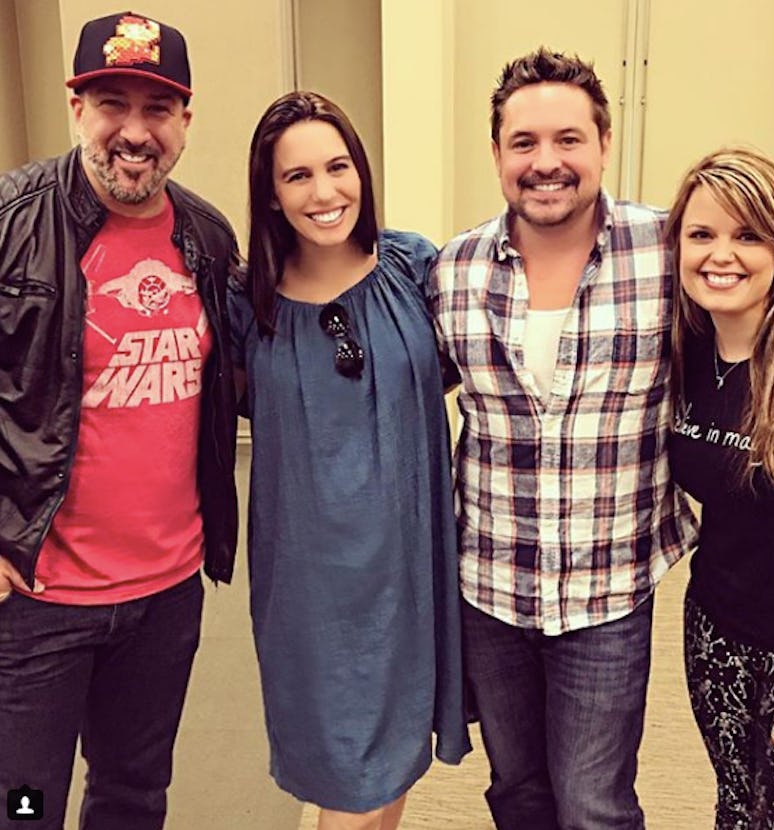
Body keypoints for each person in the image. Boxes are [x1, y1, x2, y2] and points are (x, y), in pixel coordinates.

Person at [428, 48, 698, 829]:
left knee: (593, 805)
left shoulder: (666, 253)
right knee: (516, 793)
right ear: (498, 153)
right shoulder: (455, 270)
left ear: (604, 144)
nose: (547, 163)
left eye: (568, 140)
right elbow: (402, 401)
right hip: (491, 586)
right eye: (524, 143)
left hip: (608, 590)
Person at [0, 12, 238, 830]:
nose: (133, 132)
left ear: (185, 121)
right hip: (35, 595)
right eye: (111, 103)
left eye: (157, 107)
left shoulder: (208, 238)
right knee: (23, 806)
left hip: (165, 596)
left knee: (133, 795)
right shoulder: (9, 224)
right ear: (75, 108)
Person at [227, 91, 470, 830]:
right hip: (309, 582)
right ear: (270, 194)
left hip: (407, 564)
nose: (324, 191)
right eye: (297, 176)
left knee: (392, 758)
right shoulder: (247, 301)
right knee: (345, 770)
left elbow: (450, 371)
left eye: (337, 166)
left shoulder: (413, 267)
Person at [666, 147, 774, 828]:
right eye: (701, 234)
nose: (720, 255)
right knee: (737, 807)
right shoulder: (687, 353)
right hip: (716, 630)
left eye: (747, 235)